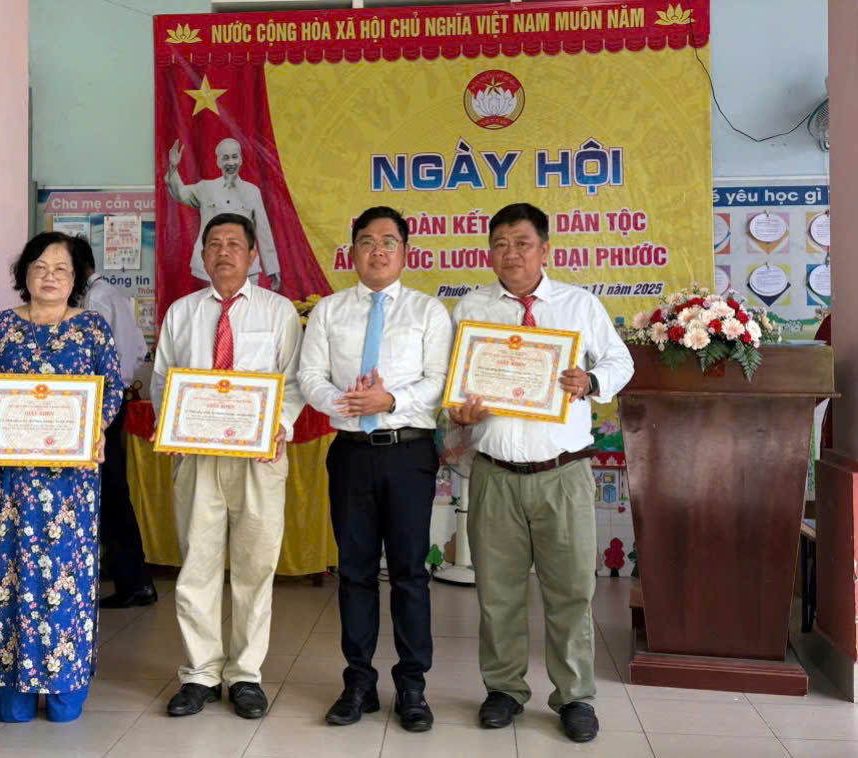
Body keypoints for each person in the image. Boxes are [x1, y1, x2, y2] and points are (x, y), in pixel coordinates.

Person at [449, 203, 633, 743]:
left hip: (562, 474)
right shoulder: (471, 308)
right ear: (489, 252)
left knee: (570, 591)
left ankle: (574, 696)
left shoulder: (579, 305)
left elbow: (620, 361)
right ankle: (504, 689)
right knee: (497, 593)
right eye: (500, 244)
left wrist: (591, 381)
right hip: (495, 474)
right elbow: (453, 384)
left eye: (522, 243)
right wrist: (459, 410)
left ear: (545, 249)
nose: (511, 254)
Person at [298, 206, 453, 732]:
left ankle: (412, 685)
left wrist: (389, 400)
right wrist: (346, 402)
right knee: (355, 572)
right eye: (367, 241)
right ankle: (358, 682)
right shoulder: (329, 311)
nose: (378, 251)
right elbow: (309, 376)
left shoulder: (429, 312)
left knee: (410, 573)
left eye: (389, 241)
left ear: (406, 252)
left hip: (408, 453)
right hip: (350, 453)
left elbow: (439, 380)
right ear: (352, 252)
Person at [0, 232, 124, 723]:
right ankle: (12, 695)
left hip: (71, 486)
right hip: (14, 483)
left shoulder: (92, 329)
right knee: (13, 577)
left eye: (61, 269)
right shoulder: (1, 328)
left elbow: (112, 389)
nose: (49, 277)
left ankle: (63, 695)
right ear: (24, 274)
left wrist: (97, 427)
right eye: (39, 267)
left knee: (67, 582)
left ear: (75, 279)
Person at [151, 212, 304, 719]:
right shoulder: (183, 312)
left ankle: (245, 675)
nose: (223, 252)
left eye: (234, 244)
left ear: (253, 254)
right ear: (202, 254)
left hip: (259, 457)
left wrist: (279, 424)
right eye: (214, 243)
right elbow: (162, 379)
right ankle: (199, 674)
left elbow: (294, 379)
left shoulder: (279, 311)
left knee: (255, 566)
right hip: (197, 456)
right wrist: (171, 425)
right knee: (197, 564)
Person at [75, 237, 156, 609]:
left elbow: (91, 359)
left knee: (109, 495)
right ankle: (134, 580)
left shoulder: (95, 301)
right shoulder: (116, 295)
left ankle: (133, 581)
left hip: (98, 403)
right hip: (117, 398)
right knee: (112, 494)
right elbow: (138, 351)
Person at [165, 137, 280, 290]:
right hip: (211, 268)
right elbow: (180, 193)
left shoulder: (252, 192)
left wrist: (272, 269)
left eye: (234, 157)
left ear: (241, 160)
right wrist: (173, 168)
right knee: (212, 305)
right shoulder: (206, 188)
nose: (231, 163)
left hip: (246, 268)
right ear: (218, 162)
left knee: (247, 305)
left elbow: (263, 231)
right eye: (225, 158)